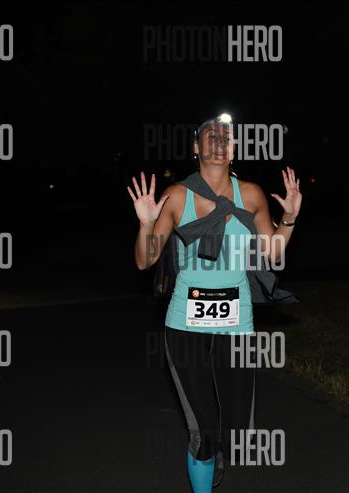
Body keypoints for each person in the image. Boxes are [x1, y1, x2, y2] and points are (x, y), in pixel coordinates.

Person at [127, 114, 302, 492]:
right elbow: (145, 260)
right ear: (196, 147)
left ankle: (217, 450)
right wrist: (145, 224)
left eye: (227, 138)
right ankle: (205, 453)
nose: (220, 143)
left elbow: (273, 253)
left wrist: (288, 218)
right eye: (211, 136)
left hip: (236, 325)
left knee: (236, 433)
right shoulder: (177, 196)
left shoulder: (251, 195)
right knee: (202, 433)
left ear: (234, 149)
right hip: (185, 325)